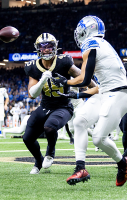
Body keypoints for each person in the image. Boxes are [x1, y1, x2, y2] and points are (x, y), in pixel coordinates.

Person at [52, 16, 127, 186]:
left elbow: (84, 79)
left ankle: (122, 162)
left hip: (117, 94)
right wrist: (78, 95)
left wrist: (65, 82)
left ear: (86, 31)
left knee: (98, 138)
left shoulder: (91, 44)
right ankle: (80, 168)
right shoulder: (103, 45)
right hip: (107, 92)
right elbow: (99, 85)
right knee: (80, 121)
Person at [23, 32, 96, 175]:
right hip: (45, 106)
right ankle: (38, 160)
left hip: (63, 106)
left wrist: (95, 89)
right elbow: (32, 94)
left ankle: (50, 152)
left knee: (50, 128)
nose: (46, 50)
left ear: (55, 47)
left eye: (50, 46)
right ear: (38, 49)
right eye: (43, 47)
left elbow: (82, 78)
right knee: (27, 138)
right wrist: (43, 80)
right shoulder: (32, 67)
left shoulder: (64, 61)